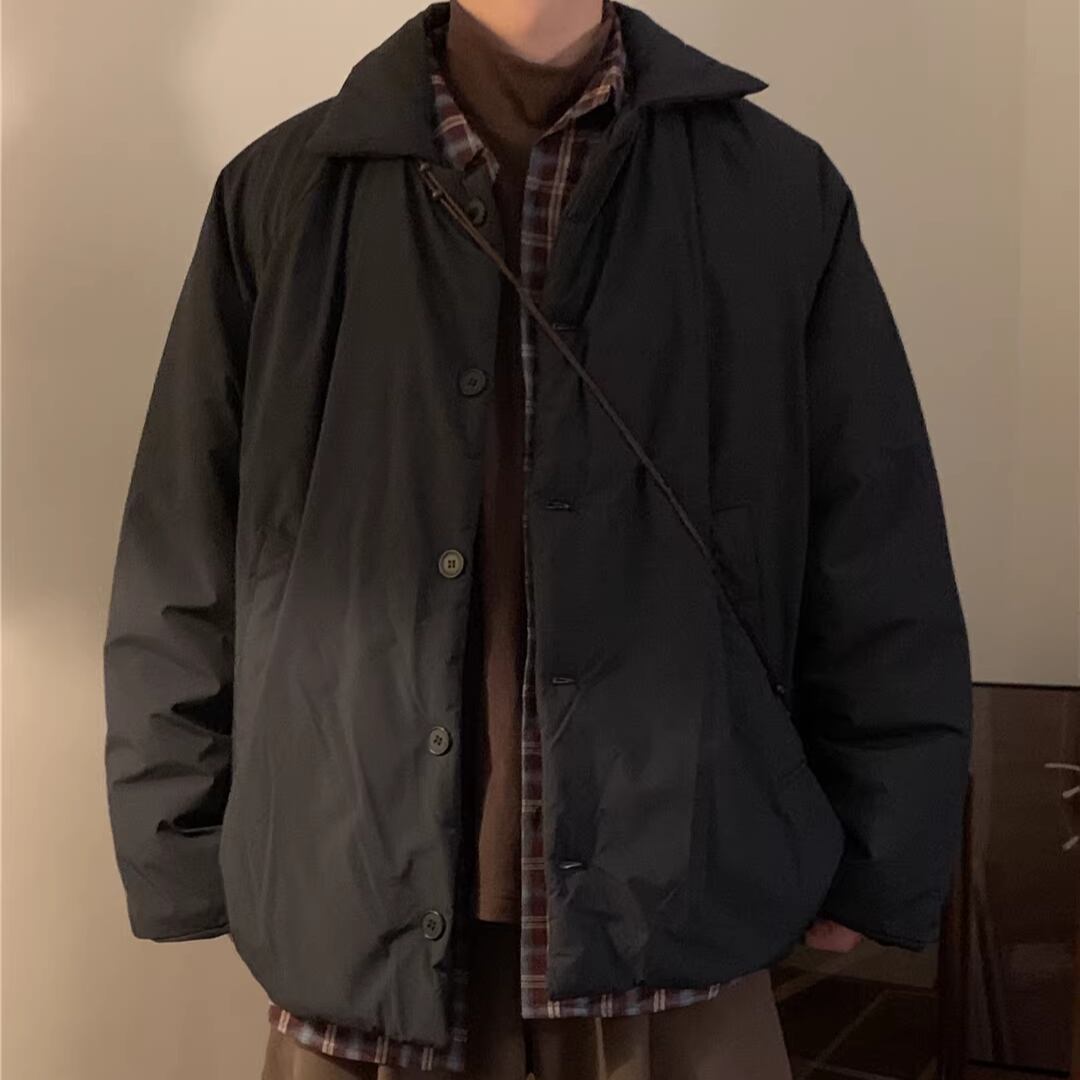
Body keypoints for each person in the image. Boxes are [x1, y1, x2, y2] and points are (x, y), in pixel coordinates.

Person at [101, 1, 974, 1077]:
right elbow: (185, 540)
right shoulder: (282, 194)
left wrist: (885, 847)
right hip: (357, 921)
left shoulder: (777, 191)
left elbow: (875, 539)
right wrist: (179, 838)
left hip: (684, 915)